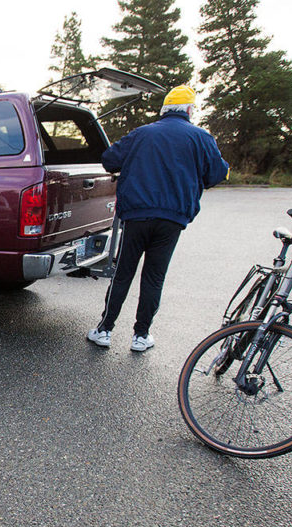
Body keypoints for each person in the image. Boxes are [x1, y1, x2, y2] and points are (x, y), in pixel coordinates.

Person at [87, 84, 228, 351]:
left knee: (124, 272)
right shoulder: (202, 138)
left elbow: (109, 159)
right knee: (154, 276)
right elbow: (216, 174)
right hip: (172, 219)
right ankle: (141, 336)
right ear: (189, 110)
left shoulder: (142, 134)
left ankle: (104, 330)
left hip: (137, 216)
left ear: (164, 109)